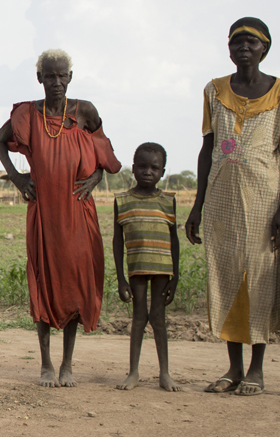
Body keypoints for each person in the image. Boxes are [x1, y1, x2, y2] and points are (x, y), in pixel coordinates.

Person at [185, 17, 280, 396]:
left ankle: (257, 369)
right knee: (226, 277)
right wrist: (197, 204)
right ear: (229, 49)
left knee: (262, 280)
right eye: (237, 42)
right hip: (221, 201)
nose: (244, 48)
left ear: (264, 48)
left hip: (264, 201)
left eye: (252, 42)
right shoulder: (214, 90)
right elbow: (208, 147)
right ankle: (233, 368)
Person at [0, 49, 122, 387]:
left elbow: (104, 151)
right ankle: (46, 365)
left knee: (75, 283)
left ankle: (68, 365)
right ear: (40, 78)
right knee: (43, 282)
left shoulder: (85, 111)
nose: (56, 82)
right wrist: (18, 178)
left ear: (70, 77)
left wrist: (94, 179)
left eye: (62, 75)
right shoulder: (27, 115)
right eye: (49, 76)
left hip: (78, 212)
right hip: (44, 211)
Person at [113, 142, 181, 392]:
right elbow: (117, 242)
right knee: (139, 318)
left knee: (159, 320)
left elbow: (174, 241)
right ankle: (133, 372)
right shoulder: (122, 201)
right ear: (133, 169)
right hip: (137, 269)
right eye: (142, 166)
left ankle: (165, 373)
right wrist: (121, 278)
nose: (148, 172)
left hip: (163, 269)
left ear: (162, 172)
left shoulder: (167, 201)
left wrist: (175, 276)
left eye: (154, 167)